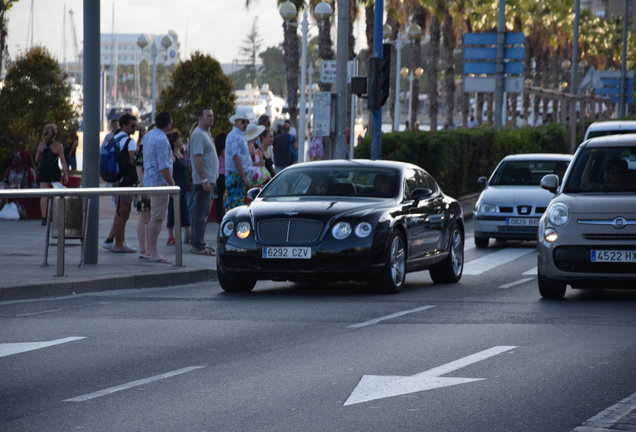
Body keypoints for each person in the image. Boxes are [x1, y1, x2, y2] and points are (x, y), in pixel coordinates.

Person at [102, 113, 138, 253]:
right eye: (132, 126)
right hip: (125, 180)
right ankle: (118, 244)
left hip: (115, 178)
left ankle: (118, 241)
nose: (135, 128)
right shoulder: (130, 141)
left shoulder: (114, 138)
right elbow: (132, 161)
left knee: (120, 211)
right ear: (124, 126)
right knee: (123, 212)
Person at [143, 111, 176, 263]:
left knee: (154, 217)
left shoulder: (149, 135)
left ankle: (151, 249)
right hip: (159, 183)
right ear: (169, 124)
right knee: (157, 218)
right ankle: (154, 253)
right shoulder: (162, 140)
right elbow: (164, 167)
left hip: (149, 180)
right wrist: (172, 185)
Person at [190, 107, 219, 256]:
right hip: (204, 181)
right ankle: (198, 244)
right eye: (208, 116)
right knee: (200, 213)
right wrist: (204, 180)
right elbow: (198, 159)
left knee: (203, 212)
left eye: (212, 116)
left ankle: (199, 242)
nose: (211, 118)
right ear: (200, 118)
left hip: (210, 180)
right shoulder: (199, 135)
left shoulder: (206, 133)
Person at [35, 124, 69, 225]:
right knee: (58, 194)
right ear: (55, 134)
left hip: (43, 171)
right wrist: (66, 174)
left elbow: (37, 159)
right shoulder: (58, 146)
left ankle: (44, 218)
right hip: (54, 171)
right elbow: (63, 161)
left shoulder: (41, 145)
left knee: (44, 195)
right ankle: (58, 216)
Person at [166, 130, 192, 247]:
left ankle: (187, 235)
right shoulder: (171, 154)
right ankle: (174, 235)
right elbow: (169, 170)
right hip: (177, 185)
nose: (181, 140)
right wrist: (171, 185)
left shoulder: (179, 153)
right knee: (177, 208)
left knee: (182, 208)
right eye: (179, 139)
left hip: (183, 184)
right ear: (174, 142)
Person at [225, 112, 252, 211]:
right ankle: (232, 226)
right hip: (236, 175)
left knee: (233, 203)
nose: (245, 124)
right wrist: (244, 176)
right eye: (243, 121)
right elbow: (235, 157)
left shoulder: (239, 135)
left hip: (237, 175)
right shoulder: (236, 136)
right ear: (236, 122)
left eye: (247, 122)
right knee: (235, 206)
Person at [1, 151, 38, 219]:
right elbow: (5, 181)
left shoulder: (29, 171)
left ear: (20, 160)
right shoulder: (10, 169)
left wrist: (21, 188)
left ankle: (21, 214)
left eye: (16, 157)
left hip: (23, 194)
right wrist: (8, 186)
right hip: (9, 191)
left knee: (16, 195)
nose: (13, 159)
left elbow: (34, 186)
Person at [133, 126, 151, 259]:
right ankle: (143, 249)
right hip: (145, 184)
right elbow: (139, 168)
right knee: (144, 217)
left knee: (151, 218)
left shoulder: (151, 147)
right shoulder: (142, 148)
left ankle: (150, 248)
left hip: (152, 184)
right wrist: (143, 185)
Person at [245, 123, 270, 187]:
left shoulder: (251, 145)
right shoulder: (250, 146)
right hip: (253, 176)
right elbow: (246, 162)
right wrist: (258, 164)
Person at [214, 133, 227, 223]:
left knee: (218, 200)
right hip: (226, 176)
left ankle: (219, 219)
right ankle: (225, 216)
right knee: (226, 197)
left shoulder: (216, 151)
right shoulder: (226, 150)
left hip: (218, 176)